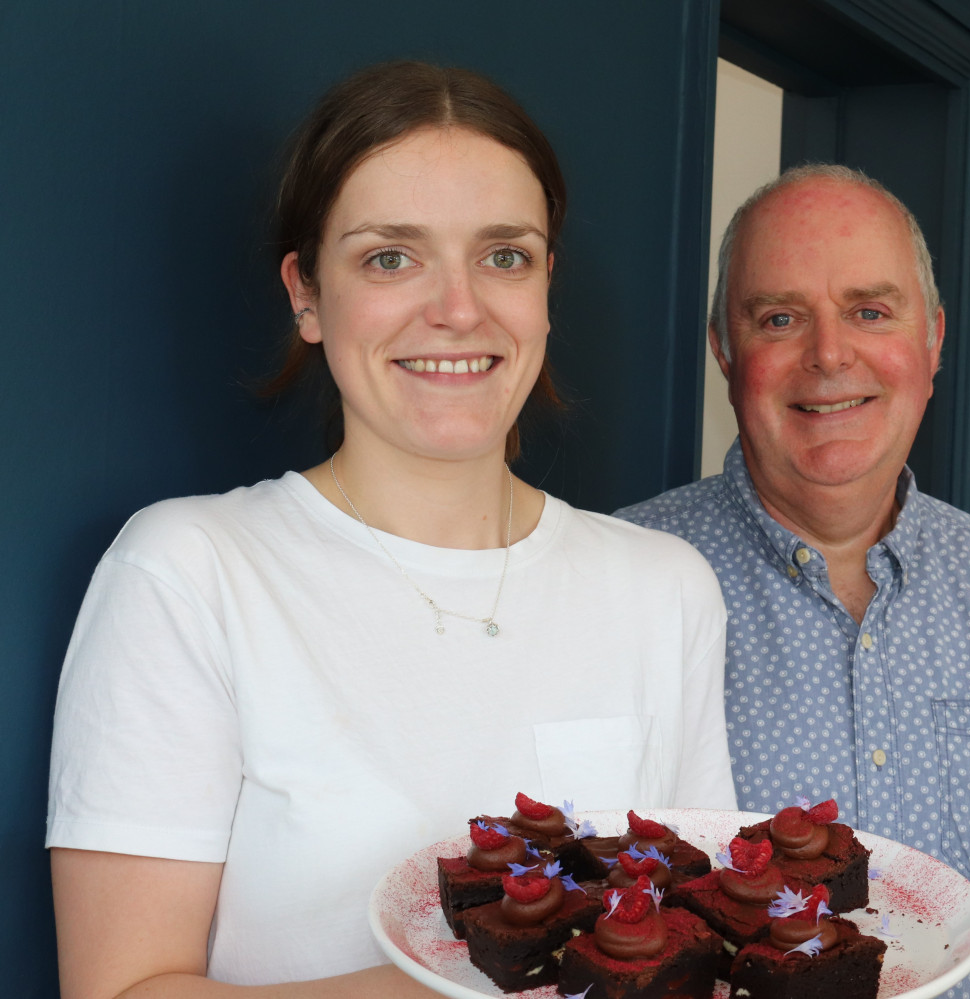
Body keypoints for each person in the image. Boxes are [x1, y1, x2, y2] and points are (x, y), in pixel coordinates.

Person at [46, 61, 736, 999]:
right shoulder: (190, 571)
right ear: (306, 294)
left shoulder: (666, 587)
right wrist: (508, 971)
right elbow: (121, 989)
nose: (459, 307)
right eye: (389, 257)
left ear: (544, 289)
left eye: (504, 255)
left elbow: (695, 947)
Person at [617, 164, 970, 998]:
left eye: (870, 312)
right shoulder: (621, 581)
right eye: (780, 317)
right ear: (725, 353)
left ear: (933, 342)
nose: (830, 354)